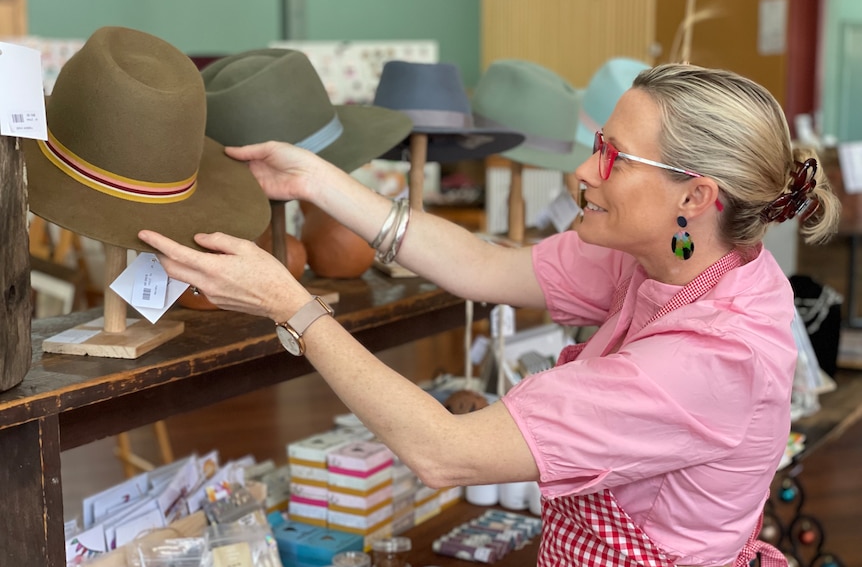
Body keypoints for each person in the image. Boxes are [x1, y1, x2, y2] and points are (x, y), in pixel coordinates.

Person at [139, 63, 840, 566]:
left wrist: (288, 304)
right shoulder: (678, 256)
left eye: (613, 157)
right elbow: (485, 264)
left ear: (695, 197)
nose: (584, 174)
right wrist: (318, 180)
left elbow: (445, 451)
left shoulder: (710, 359)